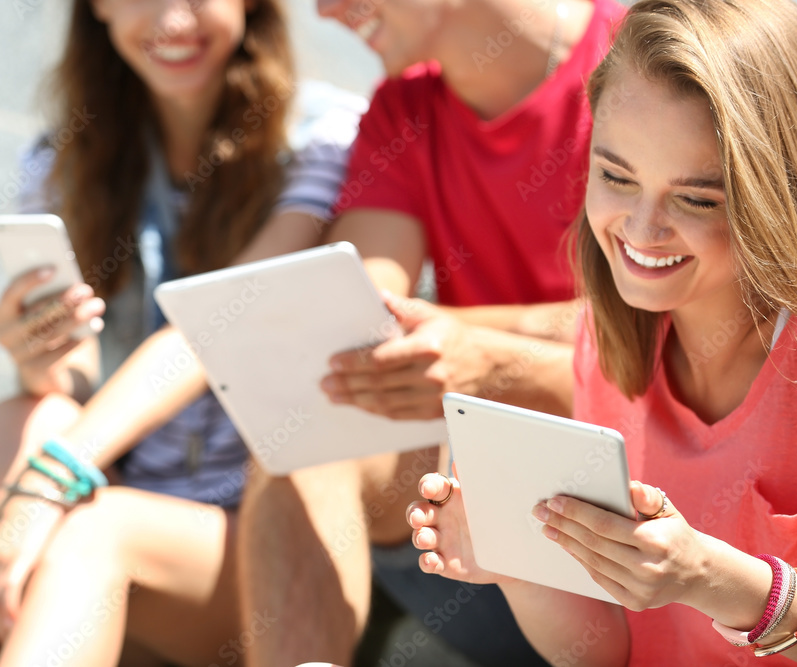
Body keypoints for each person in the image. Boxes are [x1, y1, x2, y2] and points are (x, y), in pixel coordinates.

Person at [0, 0, 364, 663]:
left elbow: (222, 322)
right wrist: (40, 357)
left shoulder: (321, 135)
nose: (172, 21)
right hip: (115, 488)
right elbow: (76, 385)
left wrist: (47, 482)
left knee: (98, 525)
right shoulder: (61, 162)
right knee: (24, 417)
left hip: (260, 530)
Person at [409, 0, 797, 663]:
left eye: (696, 198)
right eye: (616, 176)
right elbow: (602, 651)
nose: (642, 231)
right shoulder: (609, 346)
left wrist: (714, 578)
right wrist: (513, 556)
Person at [238, 0, 625, 664]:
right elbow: (365, 322)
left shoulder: (651, 62)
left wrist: (490, 354)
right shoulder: (401, 112)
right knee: (313, 430)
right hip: (472, 531)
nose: (324, 12)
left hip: (650, 528)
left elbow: (686, 349)